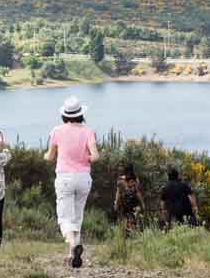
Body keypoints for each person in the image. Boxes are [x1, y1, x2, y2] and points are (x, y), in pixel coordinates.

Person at [44, 96, 99, 268]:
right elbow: (96, 156)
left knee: (64, 218)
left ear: (64, 115)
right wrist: (86, 157)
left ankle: (74, 246)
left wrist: (45, 156)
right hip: (84, 179)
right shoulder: (88, 131)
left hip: (65, 178)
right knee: (77, 216)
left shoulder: (57, 131)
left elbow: (50, 156)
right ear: (80, 114)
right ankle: (71, 255)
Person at [112, 162, 145, 236]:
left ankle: (126, 235)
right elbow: (138, 192)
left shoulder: (121, 180)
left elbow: (118, 193)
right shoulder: (135, 180)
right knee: (132, 219)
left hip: (124, 203)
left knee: (125, 219)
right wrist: (142, 204)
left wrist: (116, 203)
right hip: (133, 203)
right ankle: (130, 234)